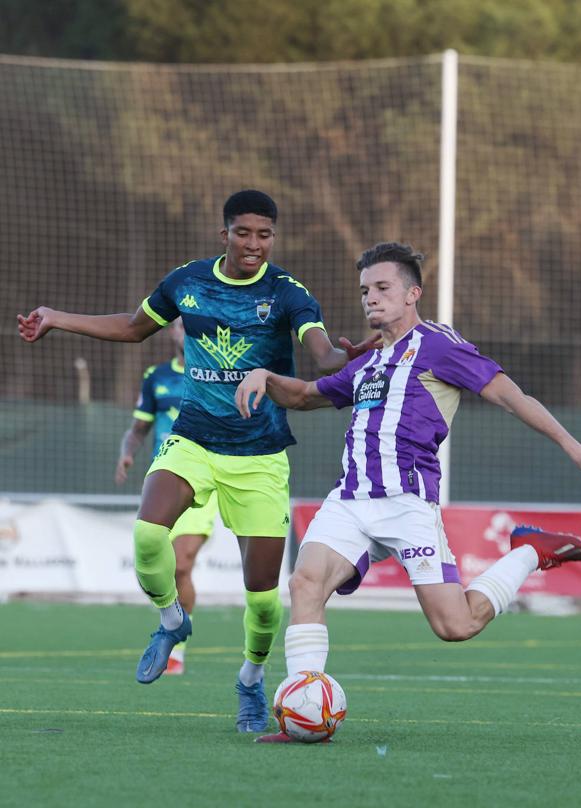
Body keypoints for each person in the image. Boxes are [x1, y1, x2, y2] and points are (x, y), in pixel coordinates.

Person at [17, 189, 378, 733]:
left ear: (272, 238)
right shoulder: (187, 282)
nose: (254, 244)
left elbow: (321, 351)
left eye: (264, 234)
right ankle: (170, 621)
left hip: (260, 457)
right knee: (146, 536)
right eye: (243, 232)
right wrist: (56, 318)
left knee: (262, 605)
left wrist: (344, 358)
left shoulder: (287, 293)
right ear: (224, 234)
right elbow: (133, 326)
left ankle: (252, 681)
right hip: (194, 442)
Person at [234, 241, 581, 743]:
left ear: (413, 292)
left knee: (454, 625)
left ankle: (528, 552)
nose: (371, 298)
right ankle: (302, 713)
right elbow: (308, 395)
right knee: (305, 584)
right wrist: (266, 376)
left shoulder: (438, 344)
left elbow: (509, 395)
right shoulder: (369, 361)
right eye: (365, 290)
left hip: (407, 504)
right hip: (349, 500)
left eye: (383, 288)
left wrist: (571, 444)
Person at [115, 318, 218, 675]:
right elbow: (139, 427)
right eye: (179, 326)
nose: (185, 331)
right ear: (172, 332)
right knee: (162, 568)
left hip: (205, 480)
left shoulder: (219, 373)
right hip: (166, 481)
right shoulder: (156, 376)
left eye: (192, 326)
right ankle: (173, 625)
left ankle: (178, 646)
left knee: (182, 563)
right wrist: (127, 451)